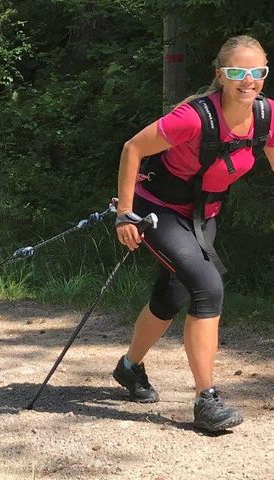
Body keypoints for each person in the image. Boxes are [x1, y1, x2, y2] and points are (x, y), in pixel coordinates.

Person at [112, 35, 274, 432]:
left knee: (172, 296)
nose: (248, 80)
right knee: (208, 287)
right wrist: (125, 214)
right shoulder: (194, 116)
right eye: (238, 71)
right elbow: (133, 148)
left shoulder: (268, 117)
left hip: (204, 215)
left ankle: (129, 368)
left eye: (258, 72)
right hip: (157, 212)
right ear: (221, 75)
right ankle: (207, 399)